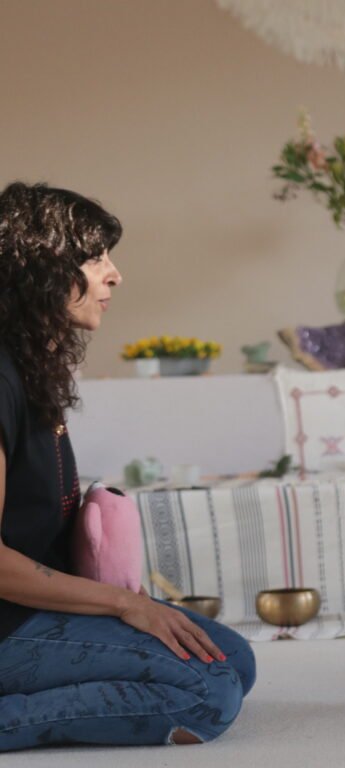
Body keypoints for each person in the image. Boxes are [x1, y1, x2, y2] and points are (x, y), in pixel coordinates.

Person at [0, 182, 255, 751]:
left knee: (234, 659)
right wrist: (124, 605)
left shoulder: (33, 367)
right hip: (6, 624)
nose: (114, 275)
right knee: (207, 695)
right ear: (40, 266)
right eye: (95, 258)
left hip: (26, 610)